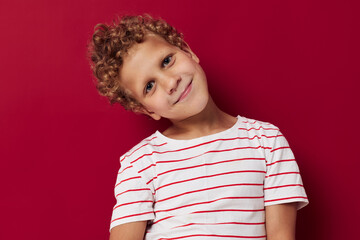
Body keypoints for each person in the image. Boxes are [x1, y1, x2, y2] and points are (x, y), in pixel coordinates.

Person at [88, 15, 308, 240]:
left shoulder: (267, 142)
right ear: (146, 110)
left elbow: (281, 235)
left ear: (187, 51)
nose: (170, 82)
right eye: (150, 86)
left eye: (166, 61)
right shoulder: (140, 164)